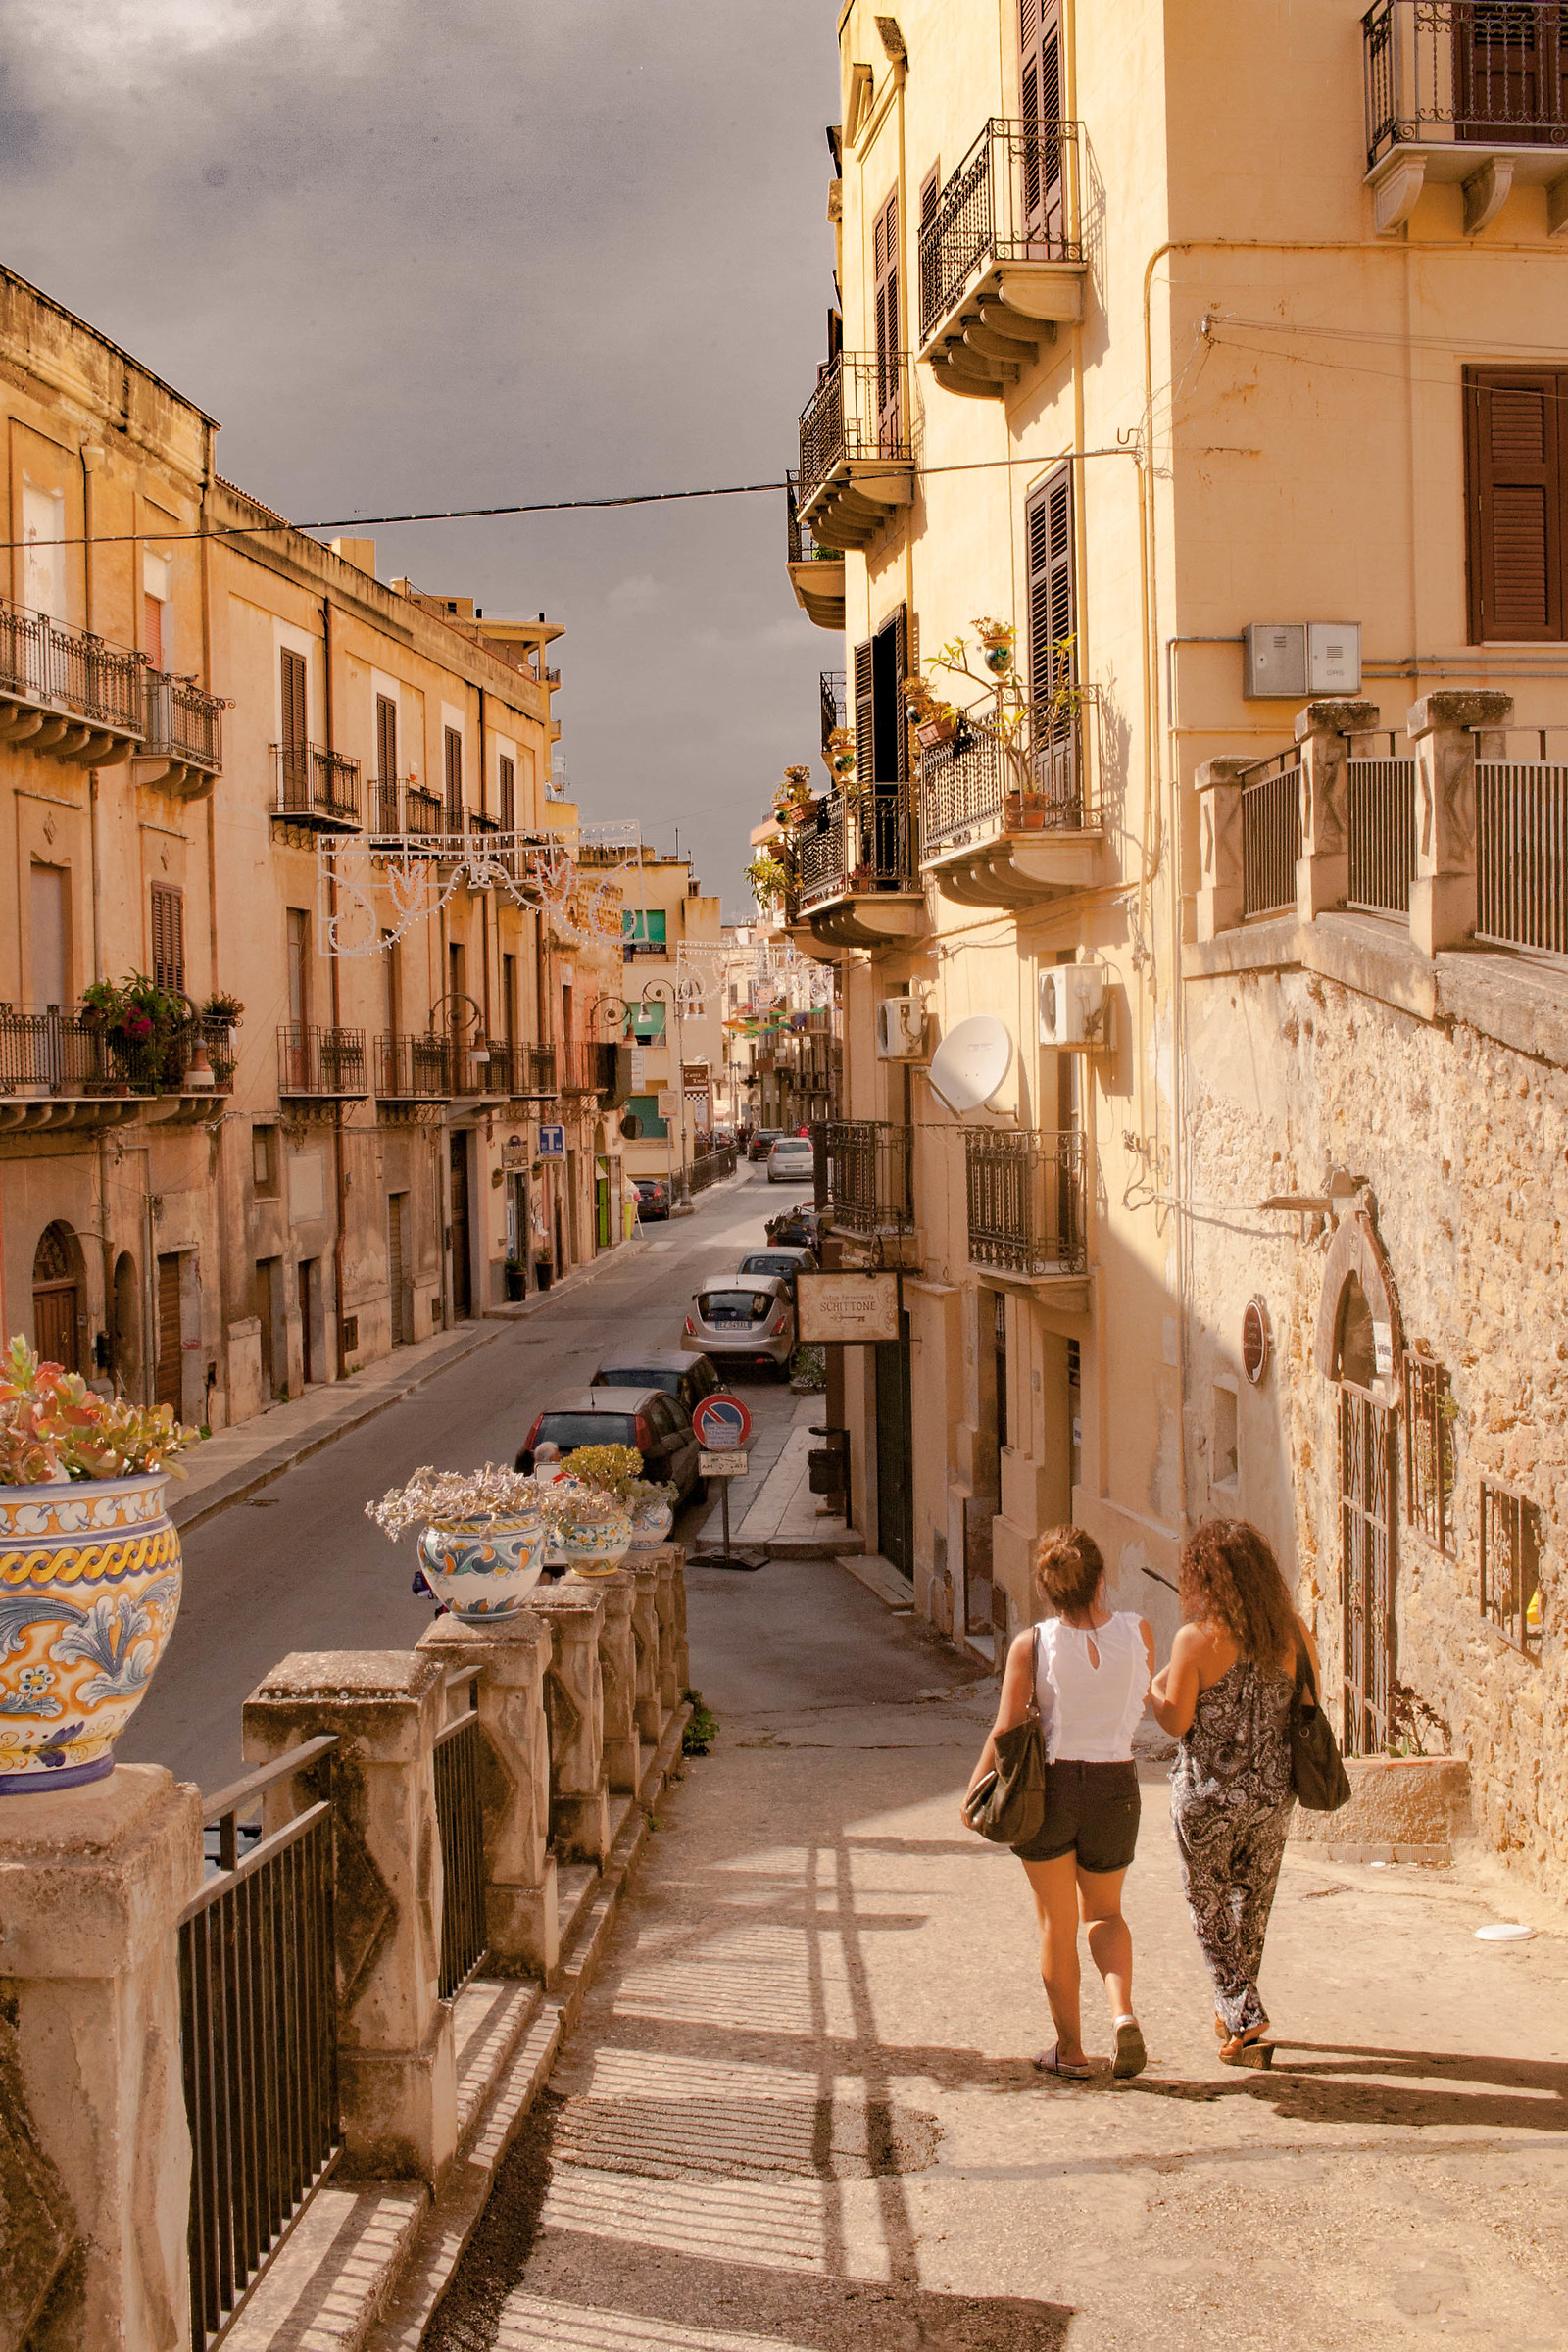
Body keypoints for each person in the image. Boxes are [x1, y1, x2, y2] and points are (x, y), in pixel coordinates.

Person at [964, 1526, 1154, 2081]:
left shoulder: (1034, 1644)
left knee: (1057, 1922)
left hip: (1051, 1788)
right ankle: (1122, 2015)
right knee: (1108, 1913)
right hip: (1116, 1785)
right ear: (1101, 1579)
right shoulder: (1137, 1631)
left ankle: (1069, 2051)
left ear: (1048, 1591)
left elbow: (1008, 1727)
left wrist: (975, 1788)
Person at [1150, 1518, 1320, 2065]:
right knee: (1252, 1907)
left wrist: (1156, 1688)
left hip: (1208, 1799)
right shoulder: (1292, 1630)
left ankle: (1243, 2010)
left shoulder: (1195, 1641)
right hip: (1273, 1796)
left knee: (1208, 1903)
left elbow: (1175, 1723)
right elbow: (1310, 1698)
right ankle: (1235, 2021)